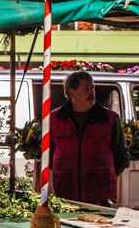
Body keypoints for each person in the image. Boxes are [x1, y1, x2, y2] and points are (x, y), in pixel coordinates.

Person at [51, 71, 128, 205]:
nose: (91, 92)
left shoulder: (109, 119)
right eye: (86, 88)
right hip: (65, 195)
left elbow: (122, 155)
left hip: (100, 197)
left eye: (93, 88)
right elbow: (48, 154)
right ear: (72, 92)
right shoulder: (54, 118)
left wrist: (105, 176)